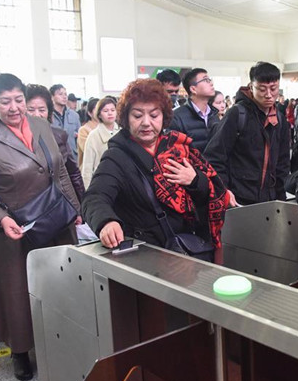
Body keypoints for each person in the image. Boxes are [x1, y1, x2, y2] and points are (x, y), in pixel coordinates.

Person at [0, 73, 80, 381]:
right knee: (18, 293)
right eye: (5, 102)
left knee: (59, 285)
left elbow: (60, 172)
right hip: (17, 230)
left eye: (19, 100)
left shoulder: (41, 126)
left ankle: (59, 340)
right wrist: (2, 220)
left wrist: (75, 209)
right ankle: (19, 350)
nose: (14, 107)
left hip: (56, 221)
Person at [82, 78, 227, 261]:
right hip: (146, 255)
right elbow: (94, 197)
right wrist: (106, 221)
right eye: (137, 116)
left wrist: (195, 180)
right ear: (126, 118)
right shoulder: (117, 157)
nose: (146, 122)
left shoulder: (177, 147)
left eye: (154, 115)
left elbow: (209, 191)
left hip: (188, 248)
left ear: (164, 117)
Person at [204, 62, 290, 206]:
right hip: (239, 199)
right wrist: (224, 190)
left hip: (270, 199)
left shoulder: (279, 119)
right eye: (262, 89)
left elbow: (283, 163)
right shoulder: (237, 114)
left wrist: (280, 198)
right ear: (251, 87)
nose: (269, 95)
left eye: (273, 88)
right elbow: (214, 157)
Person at [25, 84, 85, 203]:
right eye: (31, 110)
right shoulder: (14, 140)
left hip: (57, 201)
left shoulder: (58, 136)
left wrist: (81, 204)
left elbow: (73, 173)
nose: (37, 114)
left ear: (49, 112)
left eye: (42, 110)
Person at [169, 68, 220, 152]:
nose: (211, 83)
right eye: (206, 80)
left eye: (210, 80)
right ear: (193, 89)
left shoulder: (214, 114)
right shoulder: (177, 117)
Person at [81, 96, 120, 188]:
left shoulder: (122, 132)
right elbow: (87, 168)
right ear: (99, 115)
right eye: (105, 111)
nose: (110, 113)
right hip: (101, 183)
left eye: (113, 110)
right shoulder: (93, 136)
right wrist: (88, 190)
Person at [50, 84, 81, 160]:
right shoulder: (48, 115)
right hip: (55, 157)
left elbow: (79, 136)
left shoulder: (74, 115)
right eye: (60, 94)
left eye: (65, 94)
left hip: (72, 156)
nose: (64, 97)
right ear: (52, 97)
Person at [77, 98, 100, 168]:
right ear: (90, 113)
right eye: (96, 109)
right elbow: (88, 151)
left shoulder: (110, 128)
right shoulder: (84, 130)